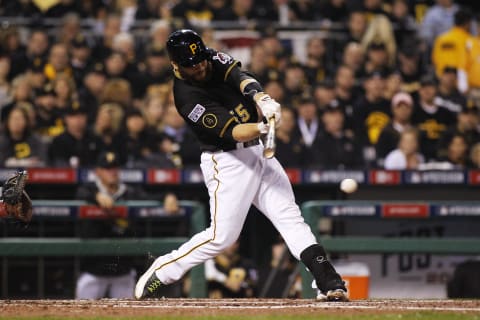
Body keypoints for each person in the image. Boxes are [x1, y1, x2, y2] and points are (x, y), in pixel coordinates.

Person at [134, 29, 348, 301]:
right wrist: (263, 126)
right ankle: (162, 272)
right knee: (221, 237)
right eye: (192, 65)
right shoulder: (186, 97)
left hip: (257, 153)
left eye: (200, 60)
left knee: (290, 218)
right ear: (176, 65)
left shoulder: (209, 57)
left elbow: (240, 77)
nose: (199, 67)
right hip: (227, 161)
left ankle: (329, 281)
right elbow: (233, 132)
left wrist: (262, 98)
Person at [75, 151, 180, 299]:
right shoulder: (88, 190)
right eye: (107, 168)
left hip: (123, 271)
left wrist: (168, 196)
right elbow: (79, 193)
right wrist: (95, 196)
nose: (112, 172)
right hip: (93, 271)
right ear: (98, 171)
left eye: (114, 168)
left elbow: (150, 198)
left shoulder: (129, 192)